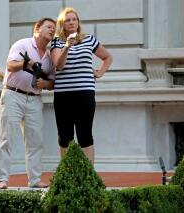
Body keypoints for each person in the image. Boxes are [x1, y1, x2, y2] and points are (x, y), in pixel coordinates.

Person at [0, 17, 56, 189]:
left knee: (35, 141)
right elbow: (9, 65)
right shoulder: (22, 44)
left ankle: (35, 180)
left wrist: (45, 84)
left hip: (35, 99)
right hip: (13, 95)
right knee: (7, 138)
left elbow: (52, 81)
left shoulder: (50, 57)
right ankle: (2, 179)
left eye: (54, 28)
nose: (52, 30)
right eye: (48, 27)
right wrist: (25, 63)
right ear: (37, 28)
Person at [50, 7, 113, 163]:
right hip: (63, 95)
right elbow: (59, 65)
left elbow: (107, 57)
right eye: (67, 20)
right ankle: (67, 175)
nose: (71, 22)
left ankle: (88, 176)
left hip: (85, 93)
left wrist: (100, 72)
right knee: (65, 136)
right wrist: (66, 46)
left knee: (85, 134)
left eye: (74, 19)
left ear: (78, 22)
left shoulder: (89, 39)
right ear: (62, 24)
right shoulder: (57, 42)